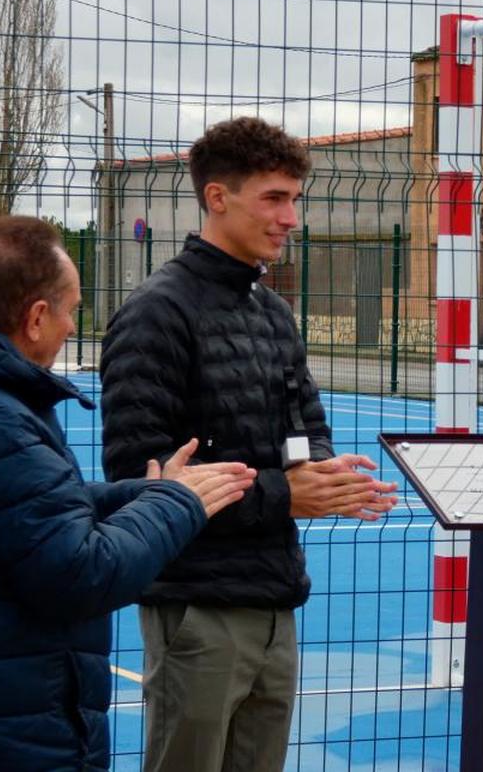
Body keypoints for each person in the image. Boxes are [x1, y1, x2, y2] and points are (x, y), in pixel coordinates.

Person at [0, 215, 256, 772]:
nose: (74, 325)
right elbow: (81, 571)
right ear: (36, 317)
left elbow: (30, 512)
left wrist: (140, 493)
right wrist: (176, 504)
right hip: (2, 729)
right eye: (71, 308)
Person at [100, 115, 398, 772]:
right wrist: (284, 493)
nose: (291, 216)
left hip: (274, 598)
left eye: (296, 198)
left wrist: (324, 474)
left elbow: (305, 429)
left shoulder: (272, 313)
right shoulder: (157, 312)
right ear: (216, 197)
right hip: (196, 607)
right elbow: (138, 477)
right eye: (274, 198)